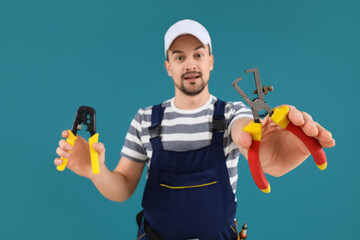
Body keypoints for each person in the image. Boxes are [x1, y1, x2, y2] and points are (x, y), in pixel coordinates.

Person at [54, 19, 335, 240]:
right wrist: (96, 172)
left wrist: (263, 150)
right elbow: (122, 188)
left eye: (198, 54)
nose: (190, 63)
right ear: (168, 67)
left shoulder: (233, 112)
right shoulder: (144, 119)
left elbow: (243, 132)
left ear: (210, 61)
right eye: (179, 57)